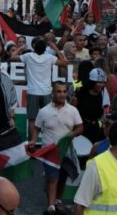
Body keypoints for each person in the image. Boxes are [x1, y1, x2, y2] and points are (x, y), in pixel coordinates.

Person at [36, 82, 83, 215]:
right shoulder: (44, 111)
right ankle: (51, 207)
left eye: (64, 91)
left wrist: (72, 134)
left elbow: (80, 127)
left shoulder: (73, 110)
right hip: (50, 152)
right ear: (53, 93)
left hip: (66, 151)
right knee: (52, 178)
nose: (62, 94)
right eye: (59, 91)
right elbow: (37, 128)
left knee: (63, 177)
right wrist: (33, 140)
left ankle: (57, 201)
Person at [22, 36, 68, 148]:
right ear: (45, 49)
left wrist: (21, 48)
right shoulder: (49, 57)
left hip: (33, 92)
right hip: (46, 92)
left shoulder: (28, 56)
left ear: (34, 47)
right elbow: (64, 62)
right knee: (48, 118)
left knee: (32, 120)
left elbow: (12, 57)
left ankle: (31, 144)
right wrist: (55, 48)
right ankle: (49, 145)